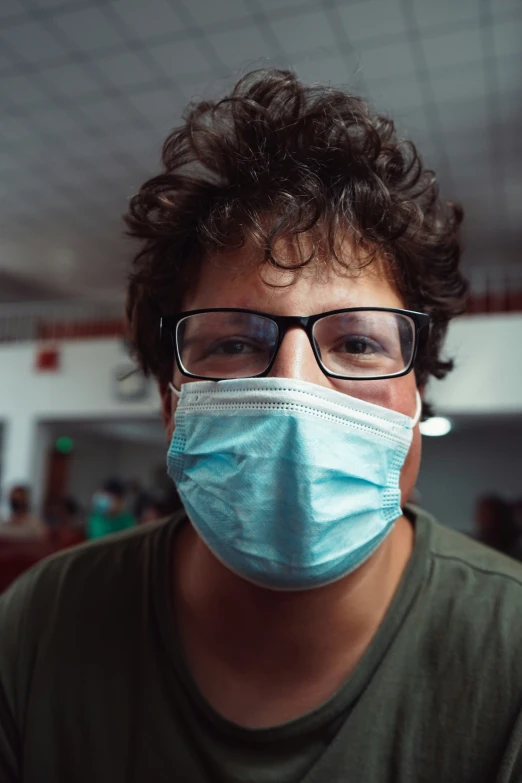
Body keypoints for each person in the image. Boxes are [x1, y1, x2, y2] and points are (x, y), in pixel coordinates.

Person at [1, 69, 522, 783]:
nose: (293, 387)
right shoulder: (41, 622)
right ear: (168, 403)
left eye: (359, 343)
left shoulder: (510, 649)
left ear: (418, 395)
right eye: (234, 343)